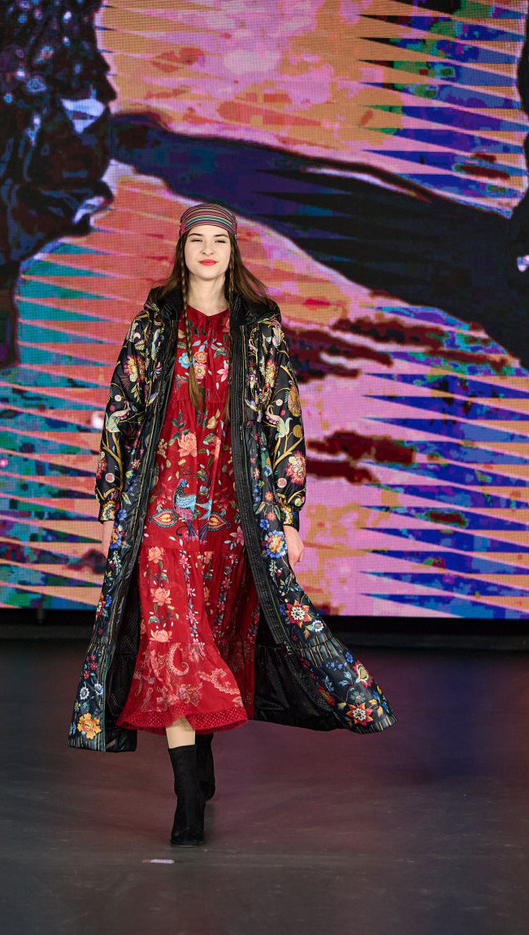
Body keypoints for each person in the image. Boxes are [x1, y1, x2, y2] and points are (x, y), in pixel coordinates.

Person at [68, 202, 397, 847]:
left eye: (219, 240)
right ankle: (186, 800)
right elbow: (119, 415)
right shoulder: (153, 322)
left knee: (216, 635)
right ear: (182, 250)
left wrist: (288, 514)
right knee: (171, 637)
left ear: (233, 250)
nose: (208, 250)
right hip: (161, 507)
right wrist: (111, 507)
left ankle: (201, 752)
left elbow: (284, 424)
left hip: (235, 510)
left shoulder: (260, 326)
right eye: (198, 239)